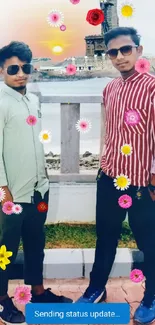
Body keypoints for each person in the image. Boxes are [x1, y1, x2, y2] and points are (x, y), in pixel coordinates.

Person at [75, 27, 155, 324]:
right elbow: (108, 131)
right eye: (113, 52)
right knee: (105, 237)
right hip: (110, 177)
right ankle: (96, 288)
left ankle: (151, 295)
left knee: (149, 242)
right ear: (107, 54)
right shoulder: (109, 89)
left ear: (139, 50)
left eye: (126, 49)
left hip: (142, 183)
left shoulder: (152, 87)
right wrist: (102, 164)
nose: (120, 57)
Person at [0, 41, 72, 325]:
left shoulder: (32, 100)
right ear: (2, 70)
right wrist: (2, 189)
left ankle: (38, 291)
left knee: (35, 241)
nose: (20, 73)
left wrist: (44, 175)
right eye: (14, 68)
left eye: (25, 68)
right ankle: (3, 299)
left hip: (38, 189)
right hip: (12, 193)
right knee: (5, 247)